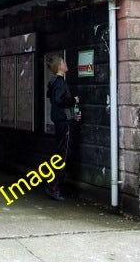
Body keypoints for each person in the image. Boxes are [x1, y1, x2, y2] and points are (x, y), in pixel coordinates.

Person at [45, 54, 81, 202]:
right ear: (60, 66)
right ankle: (55, 187)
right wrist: (73, 100)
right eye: (64, 62)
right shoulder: (60, 83)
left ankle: (53, 184)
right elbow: (60, 101)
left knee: (59, 153)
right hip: (64, 122)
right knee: (63, 155)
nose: (66, 64)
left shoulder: (53, 82)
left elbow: (54, 99)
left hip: (60, 120)